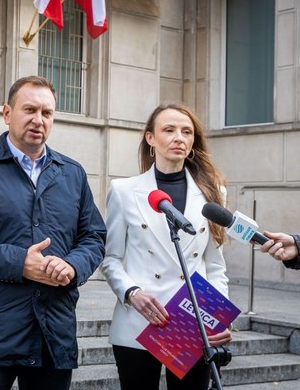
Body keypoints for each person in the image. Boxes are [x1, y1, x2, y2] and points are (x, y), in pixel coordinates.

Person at [0, 75, 106, 390]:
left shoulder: (72, 174)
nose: (38, 120)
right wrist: (20, 263)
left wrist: (72, 266)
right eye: (29, 109)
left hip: (53, 333)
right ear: (7, 113)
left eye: (47, 113)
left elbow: (94, 237)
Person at [99, 102, 233, 390]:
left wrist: (218, 319)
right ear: (150, 138)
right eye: (169, 130)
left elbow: (215, 266)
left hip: (192, 323)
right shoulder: (124, 191)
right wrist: (132, 293)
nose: (179, 138)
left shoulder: (213, 192)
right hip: (138, 321)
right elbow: (110, 259)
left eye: (186, 132)